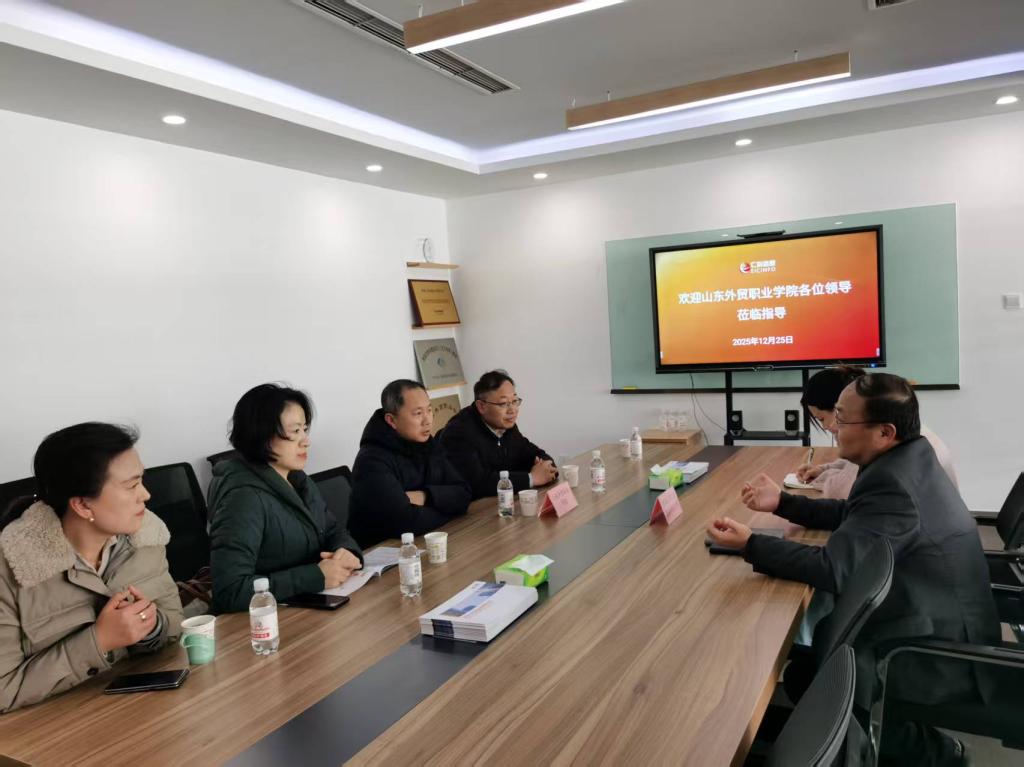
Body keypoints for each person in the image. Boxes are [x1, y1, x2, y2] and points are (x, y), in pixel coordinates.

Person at [707, 373, 998, 766]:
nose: (833, 428)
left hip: (935, 651)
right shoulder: (906, 458)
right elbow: (853, 514)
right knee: (806, 667)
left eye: (842, 419)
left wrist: (750, 544)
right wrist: (783, 503)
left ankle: (934, 754)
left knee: (814, 676)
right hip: (939, 618)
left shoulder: (893, 482)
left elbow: (833, 568)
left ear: (884, 431)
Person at [0, 423, 182, 713]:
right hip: (52, 728)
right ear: (83, 506)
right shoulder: (12, 567)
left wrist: (151, 627)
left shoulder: (146, 537)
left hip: (138, 711)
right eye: (131, 486)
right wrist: (99, 641)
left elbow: (174, 626)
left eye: (141, 480)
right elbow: (4, 689)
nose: (146, 495)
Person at [208, 384, 362, 613]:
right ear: (261, 436)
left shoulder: (298, 480)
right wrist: (314, 576)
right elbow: (230, 591)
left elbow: (332, 530)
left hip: (308, 609)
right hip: (262, 625)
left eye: (305, 429)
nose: (305, 441)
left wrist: (346, 551)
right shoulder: (243, 498)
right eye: (294, 431)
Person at [795, 366, 959, 498]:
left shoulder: (881, 437)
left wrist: (822, 478)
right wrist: (824, 469)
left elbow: (841, 492)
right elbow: (853, 467)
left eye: (822, 419)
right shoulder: (902, 428)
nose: (826, 427)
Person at [349, 379, 471, 547]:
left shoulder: (427, 444)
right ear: (391, 420)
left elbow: (464, 494)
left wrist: (426, 496)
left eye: (429, 410)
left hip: (425, 541)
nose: (427, 420)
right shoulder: (371, 460)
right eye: (418, 413)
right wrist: (449, 508)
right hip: (385, 551)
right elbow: (406, 523)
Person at [438, 370, 556, 499]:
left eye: (514, 401)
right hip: (473, 508)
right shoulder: (459, 432)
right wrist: (532, 478)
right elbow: (477, 483)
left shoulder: (506, 425)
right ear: (481, 406)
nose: (512, 410)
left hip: (502, 501)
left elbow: (532, 452)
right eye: (503, 404)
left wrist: (547, 467)